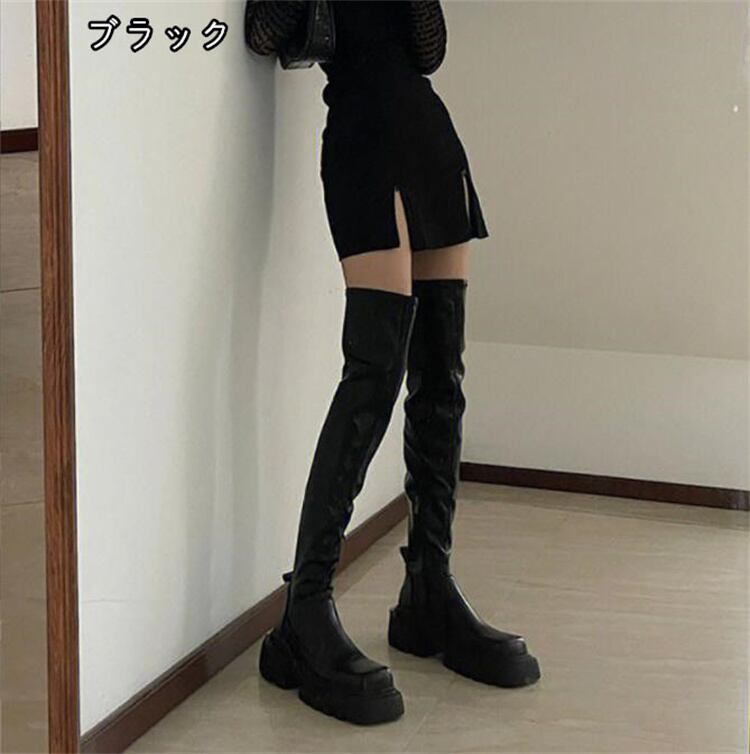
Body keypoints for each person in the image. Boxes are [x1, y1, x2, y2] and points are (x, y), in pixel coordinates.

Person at [245, 0, 540, 726]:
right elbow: (264, 32)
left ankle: (428, 591)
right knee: (372, 379)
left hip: (429, 138)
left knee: (442, 377)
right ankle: (304, 609)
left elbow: (429, 50)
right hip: (362, 140)